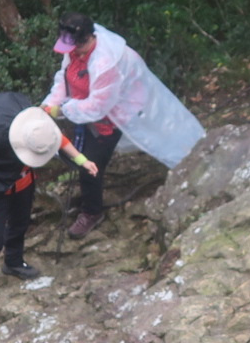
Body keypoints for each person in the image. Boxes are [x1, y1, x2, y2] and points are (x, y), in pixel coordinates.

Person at [41, 12, 207, 238]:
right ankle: (89, 200)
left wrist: (63, 110)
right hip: (84, 109)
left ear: (87, 39)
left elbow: (98, 107)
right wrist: (49, 103)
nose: (70, 52)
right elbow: (64, 78)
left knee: (90, 164)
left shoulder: (106, 64)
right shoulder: (75, 50)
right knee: (77, 155)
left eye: (74, 47)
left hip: (116, 114)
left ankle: (92, 213)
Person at [0, 91, 99, 292]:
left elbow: (56, 138)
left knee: (20, 223)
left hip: (23, 182)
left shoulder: (34, 127)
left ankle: (13, 262)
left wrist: (82, 160)